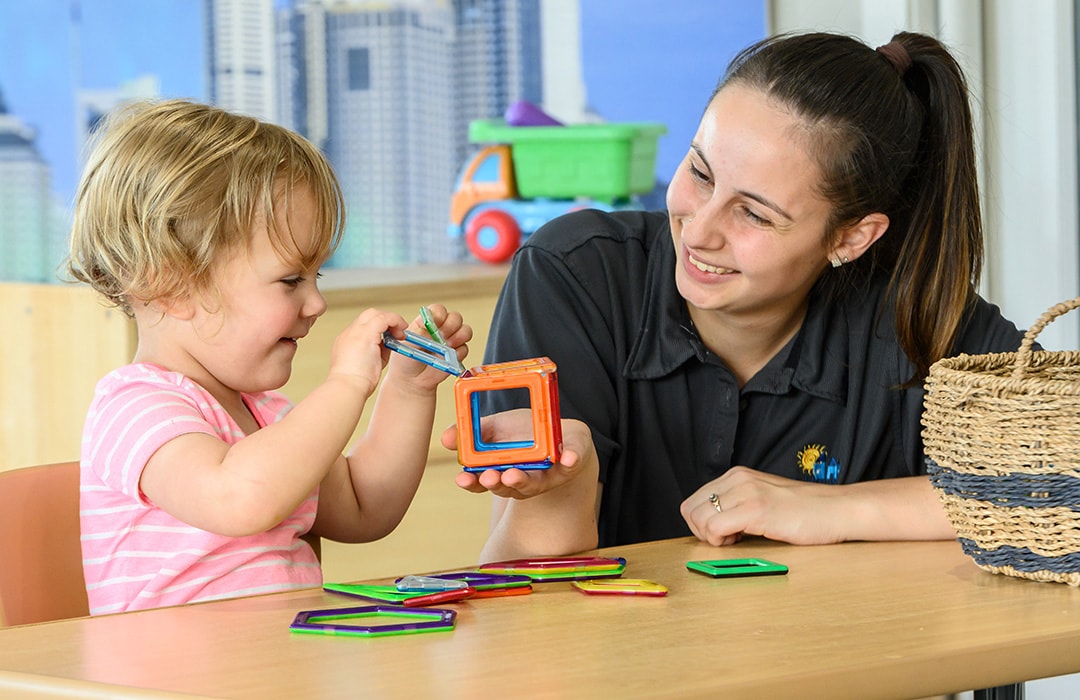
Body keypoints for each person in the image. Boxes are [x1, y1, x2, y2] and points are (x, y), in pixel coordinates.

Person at [444, 31, 1028, 560]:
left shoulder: (922, 324)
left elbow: (1054, 489)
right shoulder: (573, 274)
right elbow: (522, 581)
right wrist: (566, 482)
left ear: (851, 237)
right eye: (700, 172)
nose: (697, 232)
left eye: (752, 212)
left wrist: (828, 508)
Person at [66, 99, 472, 614]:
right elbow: (238, 497)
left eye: (317, 276)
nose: (317, 303)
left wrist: (407, 388)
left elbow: (367, 508)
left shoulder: (268, 417)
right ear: (169, 283)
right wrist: (346, 382)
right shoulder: (134, 407)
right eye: (290, 280)